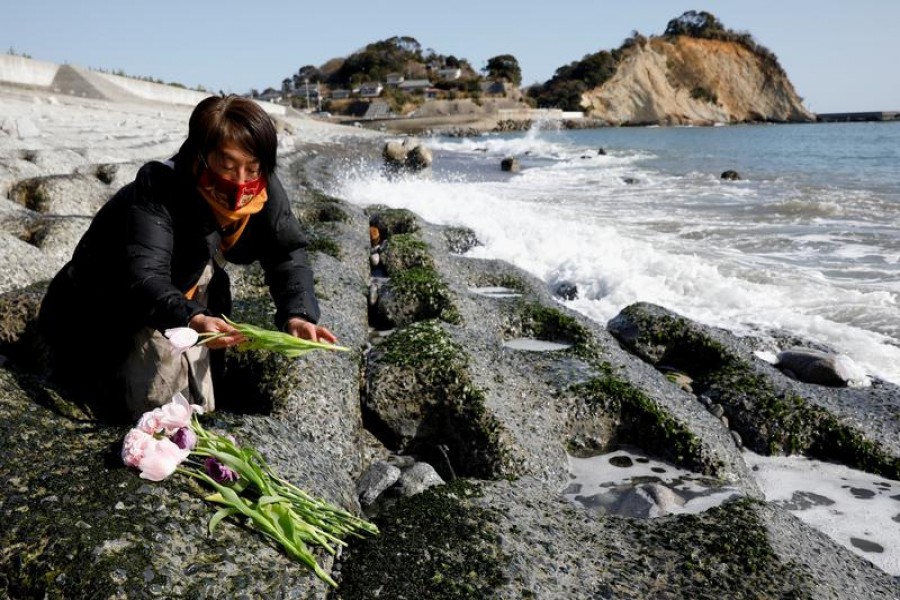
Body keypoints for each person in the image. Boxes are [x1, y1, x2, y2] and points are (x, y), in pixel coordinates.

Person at [38, 94, 336, 422]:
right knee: (157, 414)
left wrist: (298, 314)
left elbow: (287, 251)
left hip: (187, 290)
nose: (241, 182)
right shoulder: (158, 189)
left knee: (200, 408)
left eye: (251, 168)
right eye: (227, 165)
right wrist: (192, 318)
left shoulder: (261, 187)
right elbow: (146, 279)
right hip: (114, 303)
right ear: (199, 156)